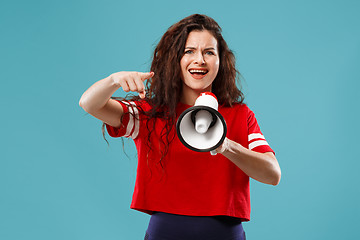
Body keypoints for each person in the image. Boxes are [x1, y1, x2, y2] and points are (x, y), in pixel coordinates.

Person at [79, 14, 281, 240]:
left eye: (209, 52)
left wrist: (225, 145)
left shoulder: (240, 115)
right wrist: (114, 80)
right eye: (189, 51)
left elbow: (272, 174)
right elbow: (89, 103)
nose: (200, 60)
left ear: (220, 61)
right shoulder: (150, 112)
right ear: (176, 59)